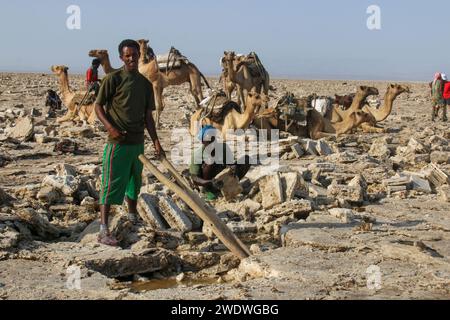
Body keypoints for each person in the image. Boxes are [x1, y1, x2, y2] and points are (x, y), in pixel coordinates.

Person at [94, 39, 164, 246]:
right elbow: (98, 107)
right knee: (111, 183)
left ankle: (132, 218)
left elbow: (148, 117)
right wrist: (110, 128)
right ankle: (103, 229)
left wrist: (156, 142)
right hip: (118, 143)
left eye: (134, 55)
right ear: (121, 58)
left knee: (134, 182)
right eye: (127, 56)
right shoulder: (113, 79)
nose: (132, 59)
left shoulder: (144, 84)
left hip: (137, 143)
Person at [189, 125, 250, 201]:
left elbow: (230, 164)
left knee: (246, 159)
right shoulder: (197, 155)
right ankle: (209, 191)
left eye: (213, 137)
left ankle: (231, 185)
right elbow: (195, 178)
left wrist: (233, 167)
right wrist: (210, 182)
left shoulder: (223, 147)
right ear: (202, 141)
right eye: (208, 139)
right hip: (209, 183)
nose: (212, 141)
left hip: (224, 180)